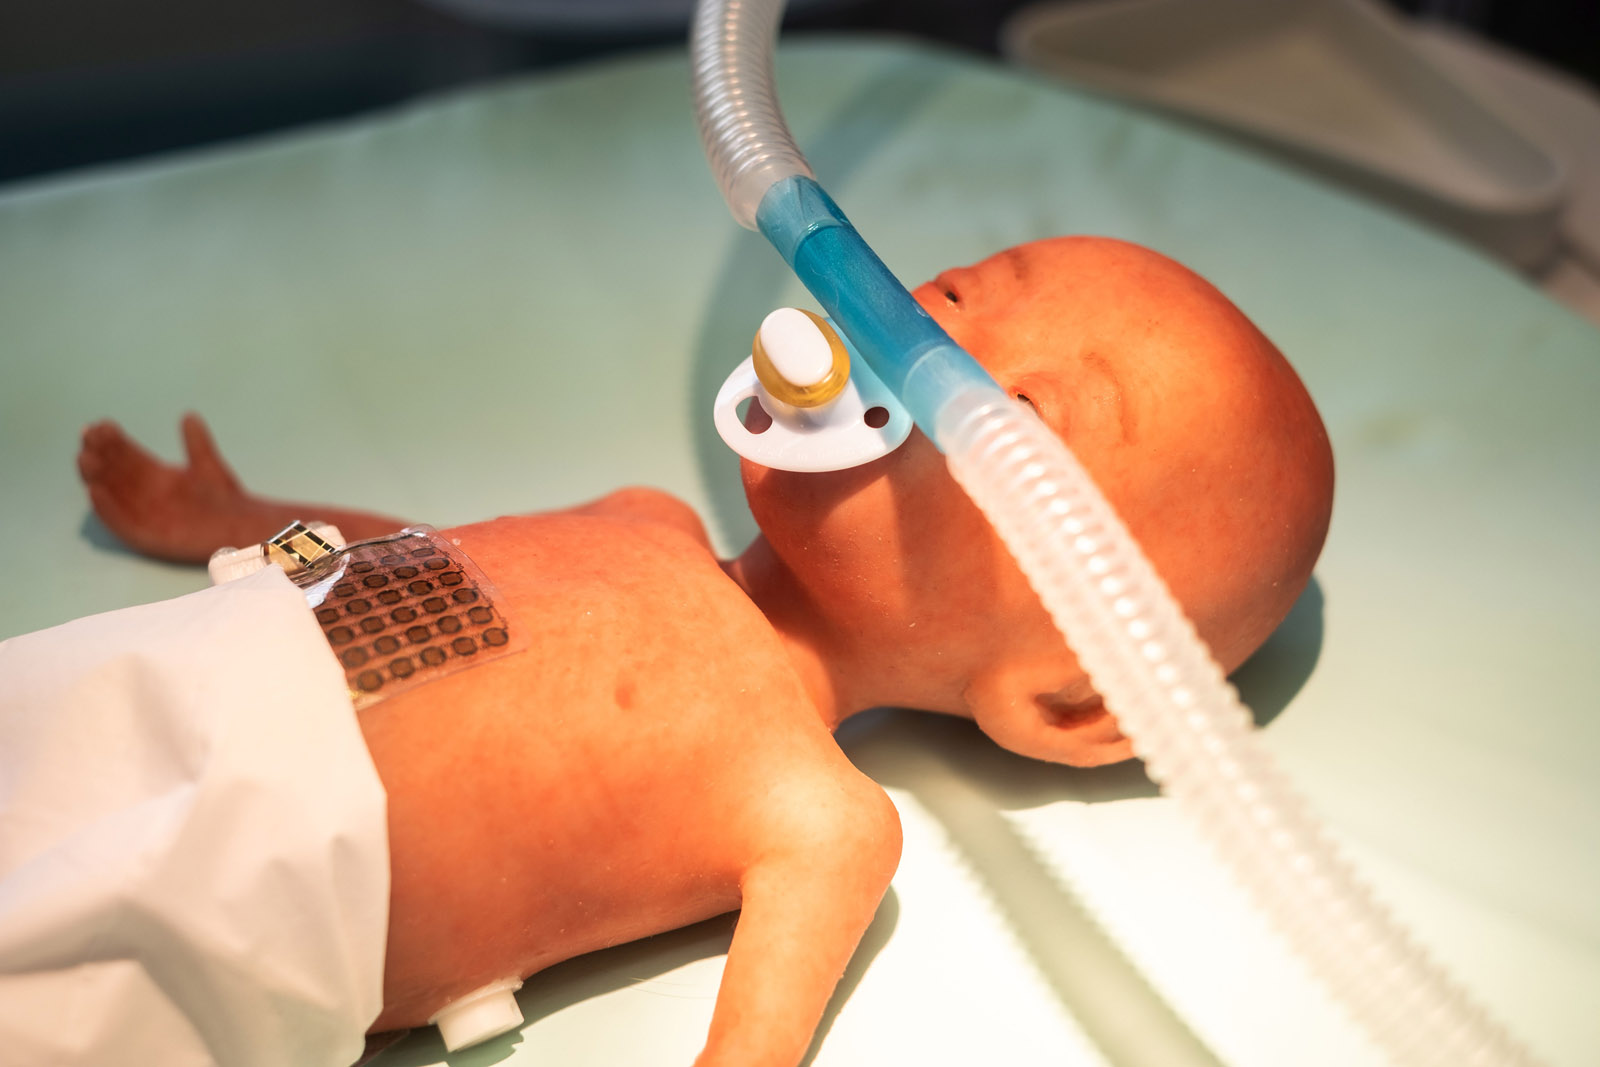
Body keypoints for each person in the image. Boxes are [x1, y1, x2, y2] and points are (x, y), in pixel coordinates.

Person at [68, 235, 1333, 1066]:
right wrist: (240, 528)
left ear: (1064, 694)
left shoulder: (820, 816)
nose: (927, 339)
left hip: (236, 890)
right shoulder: (644, 518)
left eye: (1025, 416)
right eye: (959, 290)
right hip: (150, 667)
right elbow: (409, 561)